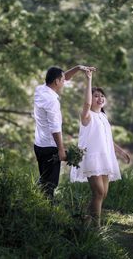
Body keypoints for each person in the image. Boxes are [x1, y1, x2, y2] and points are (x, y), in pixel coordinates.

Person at [70, 69, 130, 227]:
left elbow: (107, 139)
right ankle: (96, 228)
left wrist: (121, 152)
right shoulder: (87, 116)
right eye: (96, 95)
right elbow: (87, 103)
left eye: (102, 96)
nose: (100, 98)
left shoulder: (103, 117)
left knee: (103, 194)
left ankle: (85, 220)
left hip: (105, 158)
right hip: (92, 158)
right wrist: (89, 79)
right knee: (99, 192)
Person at [34, 65, 96, 200]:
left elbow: (65, 77)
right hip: (50, 147)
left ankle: (36, 203)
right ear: (56, 81)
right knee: (50, 184)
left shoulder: (40, 90)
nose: (64, 82)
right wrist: (60, 150)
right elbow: (55, 128)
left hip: (39, 144)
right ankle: (46, 211)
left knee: (44, 179)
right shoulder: (52, 101)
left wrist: (78, 68)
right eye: (62, 80)